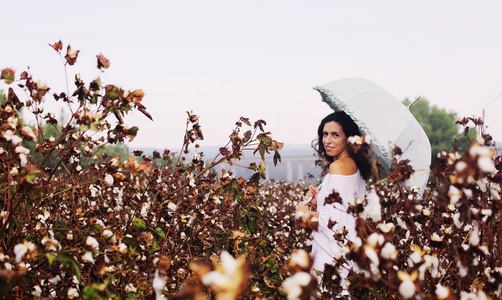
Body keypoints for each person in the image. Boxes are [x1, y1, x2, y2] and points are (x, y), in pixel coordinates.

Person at [296, 111, 372, 290]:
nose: (327, 140)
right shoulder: (354, 165)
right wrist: (319, 201)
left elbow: (330, 223)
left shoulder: (338, 167)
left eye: (335, 135)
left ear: (348, 138)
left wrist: (304, 213)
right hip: (346, 256)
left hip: (331, 257)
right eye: (325, 134)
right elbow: (344, 211)